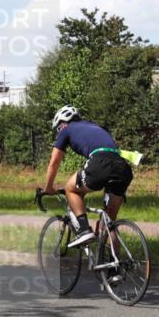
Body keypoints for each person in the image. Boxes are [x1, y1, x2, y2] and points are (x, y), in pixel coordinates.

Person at [43, 105, 133, 248]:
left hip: (100, 163)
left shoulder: (66, 129)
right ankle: (115, 267)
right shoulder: (94, 126)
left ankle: (84, 230)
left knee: (70, 189)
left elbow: (53, 163)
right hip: (122, 166)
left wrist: (48, 188)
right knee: (109, 222)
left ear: (61, 124)